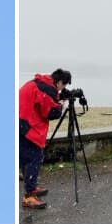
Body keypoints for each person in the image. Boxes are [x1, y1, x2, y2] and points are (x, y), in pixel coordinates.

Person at [18, 68, 72, 209]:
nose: (62, 89)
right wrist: (62, 105)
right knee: (34, 158)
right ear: (59, 82)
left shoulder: (40, 83)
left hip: (21, 122)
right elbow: (51, 112)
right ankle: (29, 196)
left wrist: (57, 98)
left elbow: (41, 100)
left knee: (26, 158)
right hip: (28, 127)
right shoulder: (47, 90)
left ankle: (31, 187)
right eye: (64, 85)